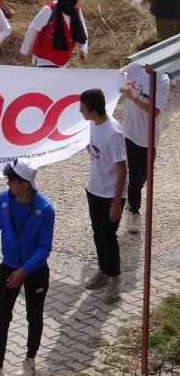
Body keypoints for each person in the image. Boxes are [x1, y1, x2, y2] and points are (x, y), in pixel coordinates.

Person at [0, 159, 54, 376]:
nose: (7, 184)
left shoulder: (45, 209)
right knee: (1, 316)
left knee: (34, 316)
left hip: (34, 272)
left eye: (11, 181)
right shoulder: (4, 199)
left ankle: (30, 358)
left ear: (24, 183)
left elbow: (44, 248)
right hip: (8, 267)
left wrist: (24, 271)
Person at [80, 89, 127, 304]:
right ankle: (103, 271)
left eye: (83, 108)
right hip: (94, 190)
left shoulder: (114, 133)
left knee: (108, 237)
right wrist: (91, 148)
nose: (80, 111)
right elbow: (96, 148)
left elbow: (122, 169)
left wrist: (116, 203)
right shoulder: (94, 123)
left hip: (110, 196)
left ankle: (115, 280)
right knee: (97, 235)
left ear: (94, 110)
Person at [119, 62, 171, 233]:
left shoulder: (162, 80)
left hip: (148, 136)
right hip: (129, 130)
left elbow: (155, 110)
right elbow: (117, 76)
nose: (147, 65)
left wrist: (132, 97)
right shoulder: (135, 68)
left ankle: (132, 194)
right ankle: (135, 213)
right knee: (134, 173)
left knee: (144, 174)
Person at [18, 0, 88, 67]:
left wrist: (83, 48)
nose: (79, 0)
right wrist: (24, 51)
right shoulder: (49, 10)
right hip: (44, 59)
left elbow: (83, 31)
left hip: (63, 61)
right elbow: (33, 28)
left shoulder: (76, 11)